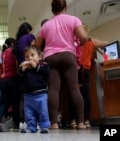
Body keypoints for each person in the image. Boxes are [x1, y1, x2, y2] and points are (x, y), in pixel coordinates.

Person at [35, 0, 90, 129]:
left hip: (50, 58)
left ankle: (53, 123)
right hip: (67, 56)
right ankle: (81, 122)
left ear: (52, 10)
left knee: (53, 90)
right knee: (74, 89)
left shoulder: (46, 25)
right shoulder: (73, 19)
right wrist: (79, 43)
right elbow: (84, 37)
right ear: (65, 7)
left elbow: (37, 46)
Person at [69, 23, 108, 129]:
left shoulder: (72, 42)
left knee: (73, 94)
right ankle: (86, 120)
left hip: (73, 70)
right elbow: (105, 43)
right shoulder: (90, 41)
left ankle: (73, 120)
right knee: (85, 95)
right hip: (85, 70)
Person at [18, 46, 50, 133]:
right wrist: (22, 71)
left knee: (43, 112)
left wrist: (36, 66)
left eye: (32, 55)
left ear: (39, 57)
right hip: (28, 96)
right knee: (29, 113)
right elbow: (18, 80)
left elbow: (47, 73)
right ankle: (31, 127)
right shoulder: (24, 68)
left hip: (41, 94)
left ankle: (44, 127)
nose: (30, 58)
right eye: (27, 57)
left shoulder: (43, 65)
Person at [0, 38, 21, 129]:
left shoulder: (2, 53)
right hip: (12, 79)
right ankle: (16, 122)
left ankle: (6, 121)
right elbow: (17, 64)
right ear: (12, 44)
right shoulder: (13, 52)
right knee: (15, 102)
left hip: (3, 80)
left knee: (5, 102)